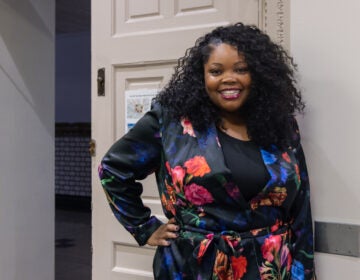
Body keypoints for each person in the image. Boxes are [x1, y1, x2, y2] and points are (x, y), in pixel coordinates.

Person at [98, 23, 316, 280]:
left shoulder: (281, 126)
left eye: (241, 69)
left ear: (257, 74)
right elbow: (113, 169)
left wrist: (305, 271)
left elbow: (300, 207)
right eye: (216, 71)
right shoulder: (170, 123)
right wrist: (145, 228)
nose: (229, 78)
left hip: (269, 268)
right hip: (193, 267)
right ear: (201, 77)